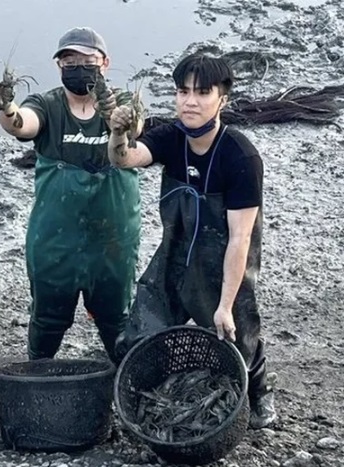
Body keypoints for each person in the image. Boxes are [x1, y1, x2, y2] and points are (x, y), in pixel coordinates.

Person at [108, 53, 277, 429]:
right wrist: (118, 133)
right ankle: (144, 395)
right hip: (174, 255)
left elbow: (240, 239)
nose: (190, 101)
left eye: (202, 92)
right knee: (138, 335)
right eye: (182, 91)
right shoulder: (171, 138)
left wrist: (225, 305)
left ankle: (259, 393)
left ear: (222, 100)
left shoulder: (241, 157)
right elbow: (125, 159)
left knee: (238, 336)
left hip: (223, 261)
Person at [0, 27, 141, 363]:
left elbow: (135, 129)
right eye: (69, 61)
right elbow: (23, 124)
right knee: (48, 317)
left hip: (112, 238)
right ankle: (38, 372)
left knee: (116, 316)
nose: (78, 67)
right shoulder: (48, 104)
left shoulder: (122, 101)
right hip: (55, 239)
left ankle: (124, 372)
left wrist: (119, 121)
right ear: (59, 66)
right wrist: (7, 108)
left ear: (105, 62)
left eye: (88, 60)